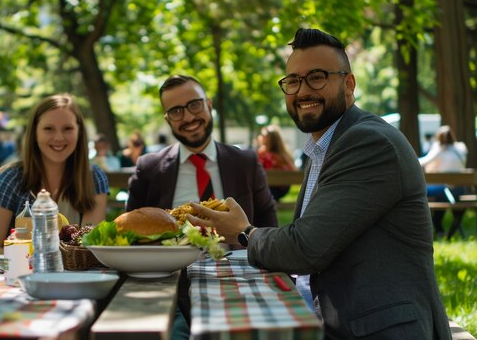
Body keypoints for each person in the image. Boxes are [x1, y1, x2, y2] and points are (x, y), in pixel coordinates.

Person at [187, 29, 451, 339]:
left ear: (349, 83)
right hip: (331, 318)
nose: (302, 92)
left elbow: (305, 248)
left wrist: (244, 232)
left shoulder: (368, 142)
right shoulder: (325, 146)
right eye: (293, 81)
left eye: (317, 77)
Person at [126, 74, 278, 340]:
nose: (187, 117)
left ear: (208, 104)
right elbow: (128, 237)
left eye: (194, 105)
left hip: (237, 284)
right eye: (175, 111)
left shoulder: (245, 162)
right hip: (172, 286)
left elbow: (269, 229)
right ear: (167, 119)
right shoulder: (149, 168)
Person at [0, 94, 109, 255]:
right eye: (48, 128)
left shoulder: (93, 178)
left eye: (68, 128)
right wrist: (40, 264)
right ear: (35, 133)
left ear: (79, 132)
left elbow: (88, 247)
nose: (59, 137)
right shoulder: (10, 179)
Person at [419, 125, 468, 236]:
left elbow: (422, 162)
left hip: (444, 191)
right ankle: (440, 228)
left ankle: (438, 228)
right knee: (440, 193)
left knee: (426, 191)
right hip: (459, 190)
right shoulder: (461, 148)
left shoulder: (438, 149)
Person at [256, 124, 297, 201]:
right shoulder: (284, 155)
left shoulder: (264, 154)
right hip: (283, 190)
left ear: (270, 139)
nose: (260, 137)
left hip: (270, 189)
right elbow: (294, 172)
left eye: (263, 135)